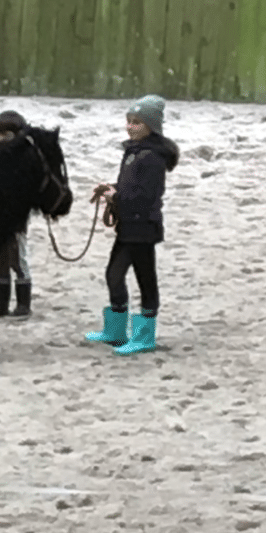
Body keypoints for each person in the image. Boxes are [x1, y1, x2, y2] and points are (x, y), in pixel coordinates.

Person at [85, 94, 179, 355]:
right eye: (129, 121)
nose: (130, 126)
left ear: (151, 125)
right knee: (113, 274)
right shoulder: (133, 153)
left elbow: (146, 195)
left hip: (143, 227)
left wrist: (117, 196)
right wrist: (112, 188)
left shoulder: (151, 157)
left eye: (137, 122)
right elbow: (130, 188)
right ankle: (116, 329)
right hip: (127, 226)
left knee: (145, 279)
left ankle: (145, 334)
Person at [0, 110, 34, 320]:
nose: (0, 140)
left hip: (15, 221)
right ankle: (0, 305)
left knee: (18, 262)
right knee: (0, 262)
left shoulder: (24, 161)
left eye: (4, 135)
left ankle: (23, 305)